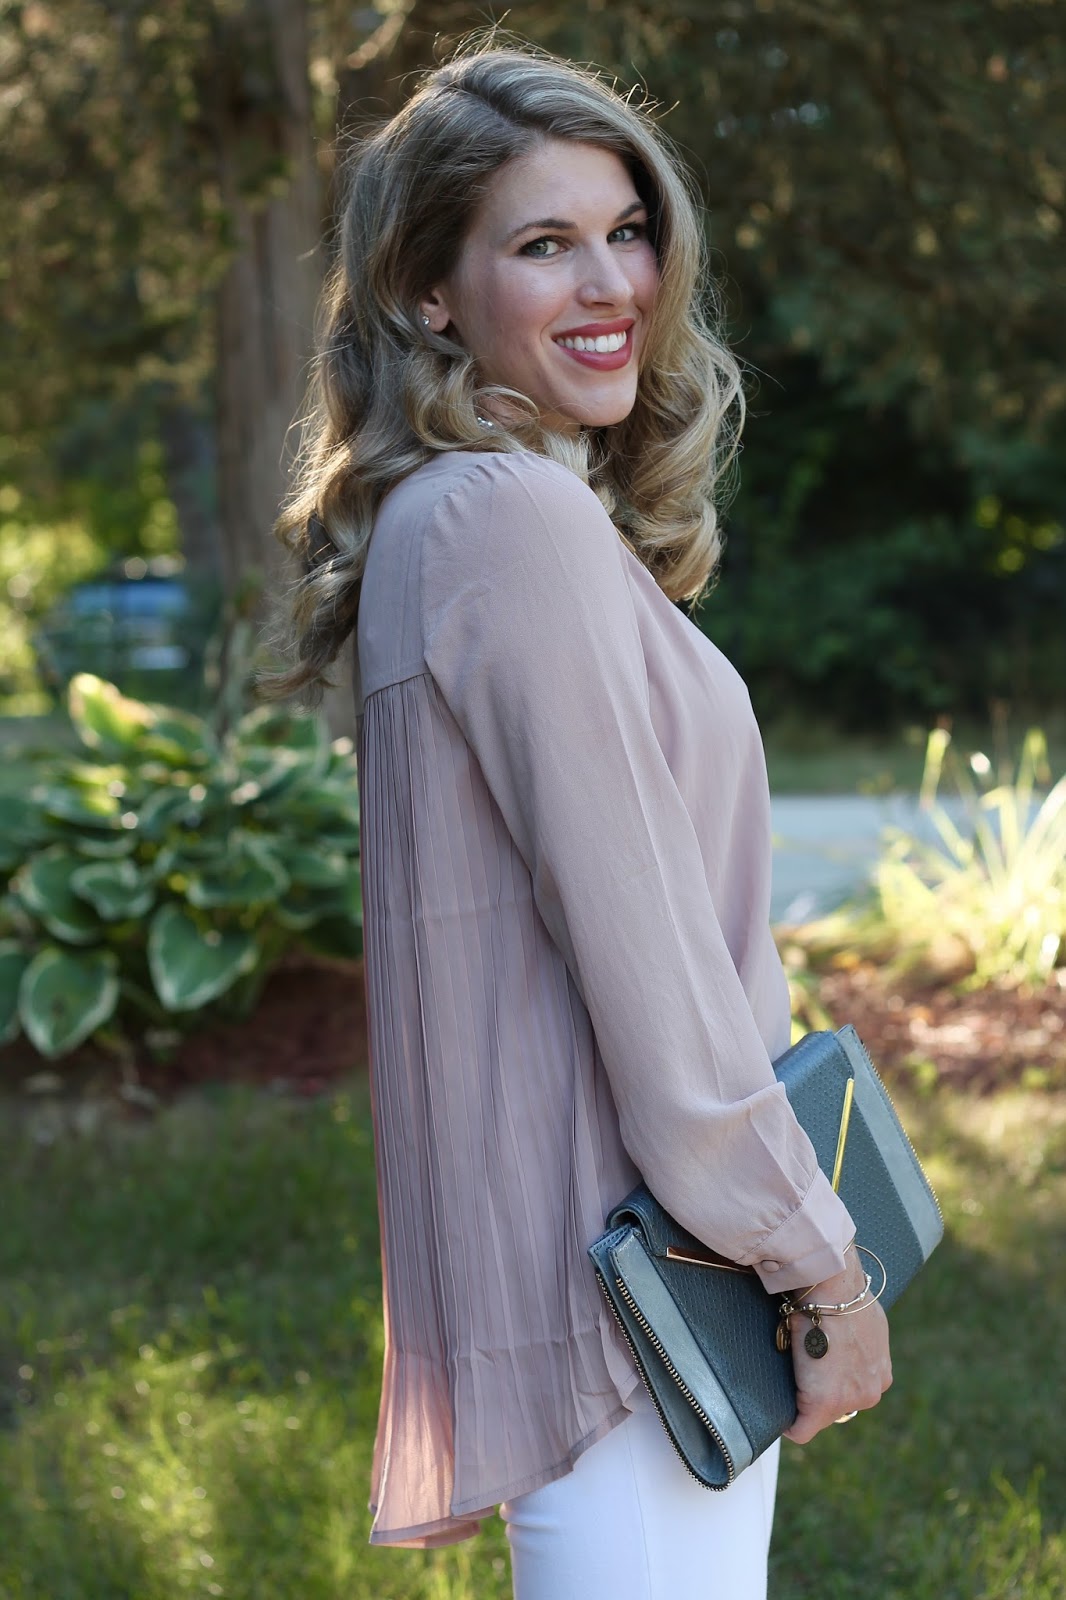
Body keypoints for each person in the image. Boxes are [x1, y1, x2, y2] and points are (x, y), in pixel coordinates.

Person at [266, 36, 892, 1600]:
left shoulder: (464, 514)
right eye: (542, 244)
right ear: (428, 292)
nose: (609, 282)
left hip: (600, 1272)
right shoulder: (506, 518)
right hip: (635, 1291)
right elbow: (648, 961)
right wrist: (815, 1263)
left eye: (625, 231)